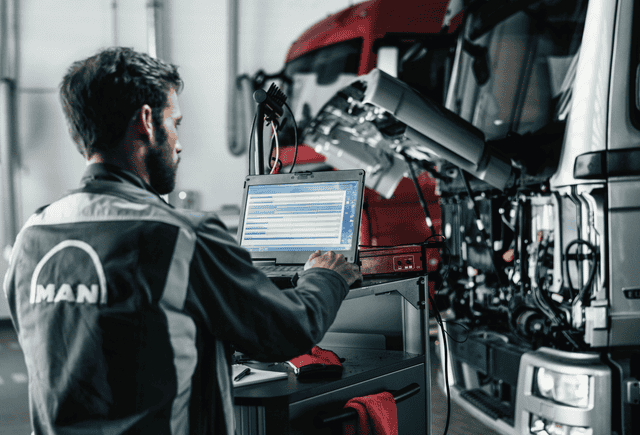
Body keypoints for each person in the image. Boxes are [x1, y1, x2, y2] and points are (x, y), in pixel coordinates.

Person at [3, 47, 361, 435]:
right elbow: (288, 331)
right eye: (174, 122)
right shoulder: (181, 235)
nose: (178, 143)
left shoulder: (31, 236)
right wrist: (325, 276)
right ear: (146, 121)